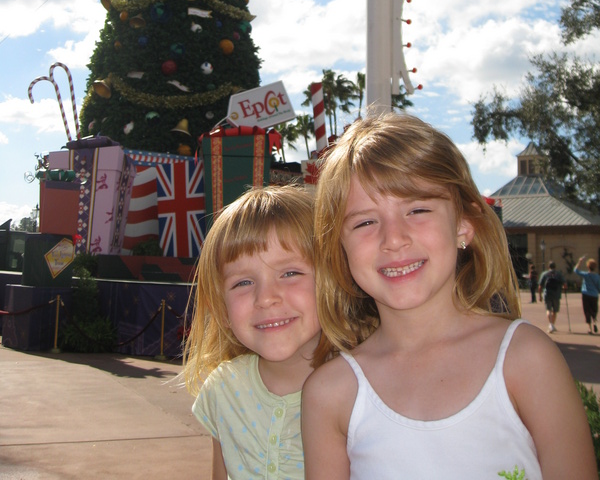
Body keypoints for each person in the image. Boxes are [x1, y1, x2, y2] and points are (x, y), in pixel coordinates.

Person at [302, 113, 596, 480]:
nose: (393, 238)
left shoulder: (525, 359)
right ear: (339, 248)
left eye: (418, 210)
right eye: (364, 222)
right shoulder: (330, 394)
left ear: (464, 225)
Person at [182, 185, 325, 480]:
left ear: (332, 282)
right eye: (243, 283)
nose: (266, 297)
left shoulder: (361, 386)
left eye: (290, 273)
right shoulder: (223, 389)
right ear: (221, 309)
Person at [574, 256, 600, 335]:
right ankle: (594, 321)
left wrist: (580, 261)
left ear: (588, 266)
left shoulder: (586, 275)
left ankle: (589, 328)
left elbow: (576, 270)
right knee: (594, 309)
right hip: (594, 295)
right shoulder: (597, 276)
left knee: (587, 310)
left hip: (586, 294)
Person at [538, 260, 566, 334]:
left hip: (547, 293)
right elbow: (565, 284)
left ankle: (550, 324)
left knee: (548, 309)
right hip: (556, 294)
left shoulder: (545, 274)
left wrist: (539, 296)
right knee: (555, 310)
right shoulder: (558, 274)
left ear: (548, 267)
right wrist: (563, 289)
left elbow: (540, 286)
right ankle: (552, 324)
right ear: (555, 267)